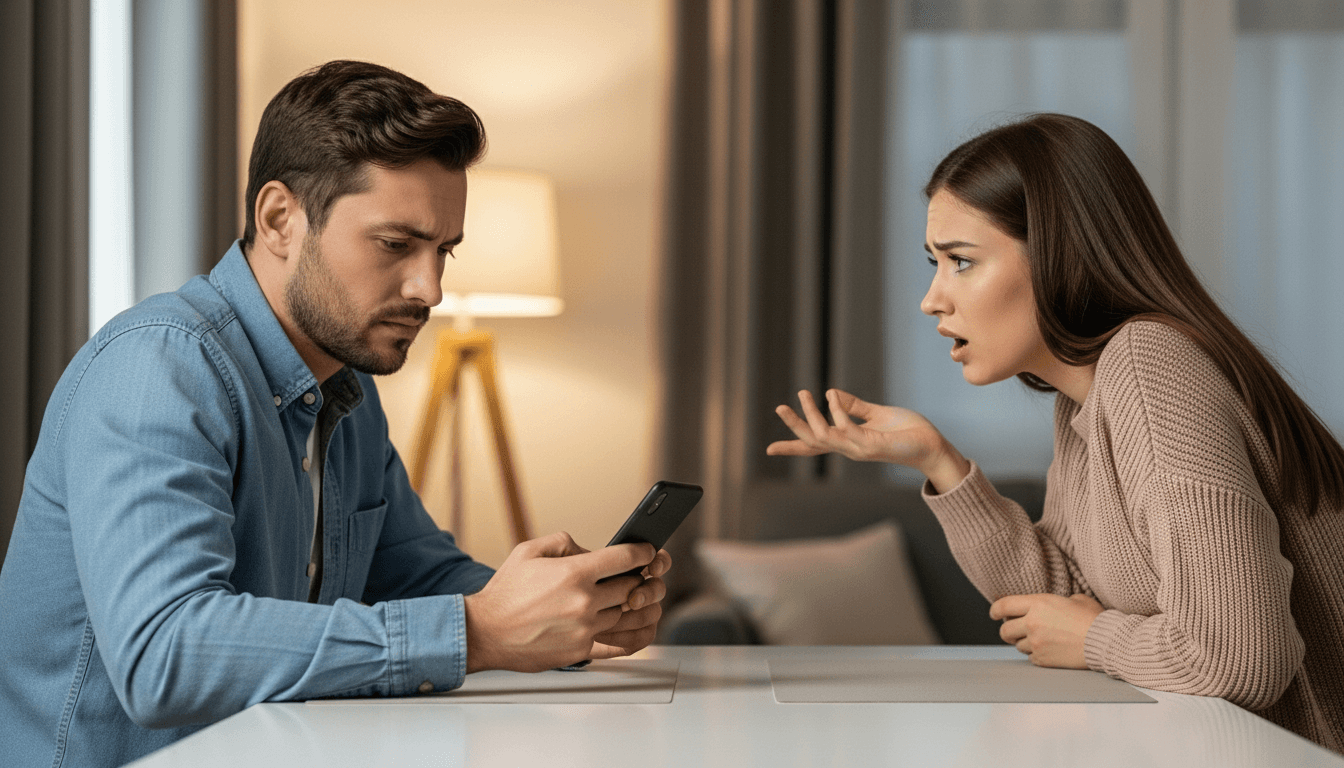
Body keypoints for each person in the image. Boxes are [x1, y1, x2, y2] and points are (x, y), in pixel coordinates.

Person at [0, 60, 670, 767]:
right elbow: (164, 653)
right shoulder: (160, 367)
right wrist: (478, 631)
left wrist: (562, 612)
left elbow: (418, 577)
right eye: (395, 245)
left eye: (444, 251)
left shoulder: (347, 388)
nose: (431, 288)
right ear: (281, 219)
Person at [768, 113, 1344, 752]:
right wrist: (938, 459)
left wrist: (1096, 639)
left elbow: (1241, 658)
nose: (932, 299)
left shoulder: (1151, 365)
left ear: (1059, 253)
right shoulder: (1084, 405)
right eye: (934, 263)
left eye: (961, 262)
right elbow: (1058, 605)